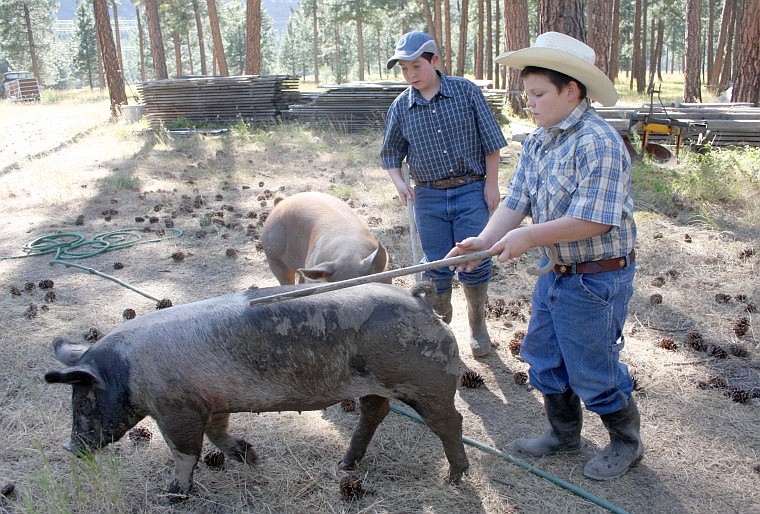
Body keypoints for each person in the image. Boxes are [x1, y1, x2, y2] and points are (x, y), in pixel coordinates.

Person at [446, 32, 641, 480]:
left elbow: (595, 220)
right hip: (557, 272)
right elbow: (516, 201)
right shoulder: (538, 141)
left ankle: (626, 442)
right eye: (526, 94)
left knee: (593, 365)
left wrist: (531, 237)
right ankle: (563, 432)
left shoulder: (599, 143)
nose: (529, 104)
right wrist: (483, 240)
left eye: (538, 94)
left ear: (571, 89)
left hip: (596, 278)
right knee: (545, 356)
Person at [381, 31, 508, 357]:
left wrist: (491, 184)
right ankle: (441, 312)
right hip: (429, 197)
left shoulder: (465, 93)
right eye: (404, 70)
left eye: (416, 67)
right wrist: (399, 183)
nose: (410, 76)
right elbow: (391, 156)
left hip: (470, 189)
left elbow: (491, 143)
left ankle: (478, 323)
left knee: (474, 258)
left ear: (434, 61)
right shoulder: (402, 107)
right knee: (436, 262)